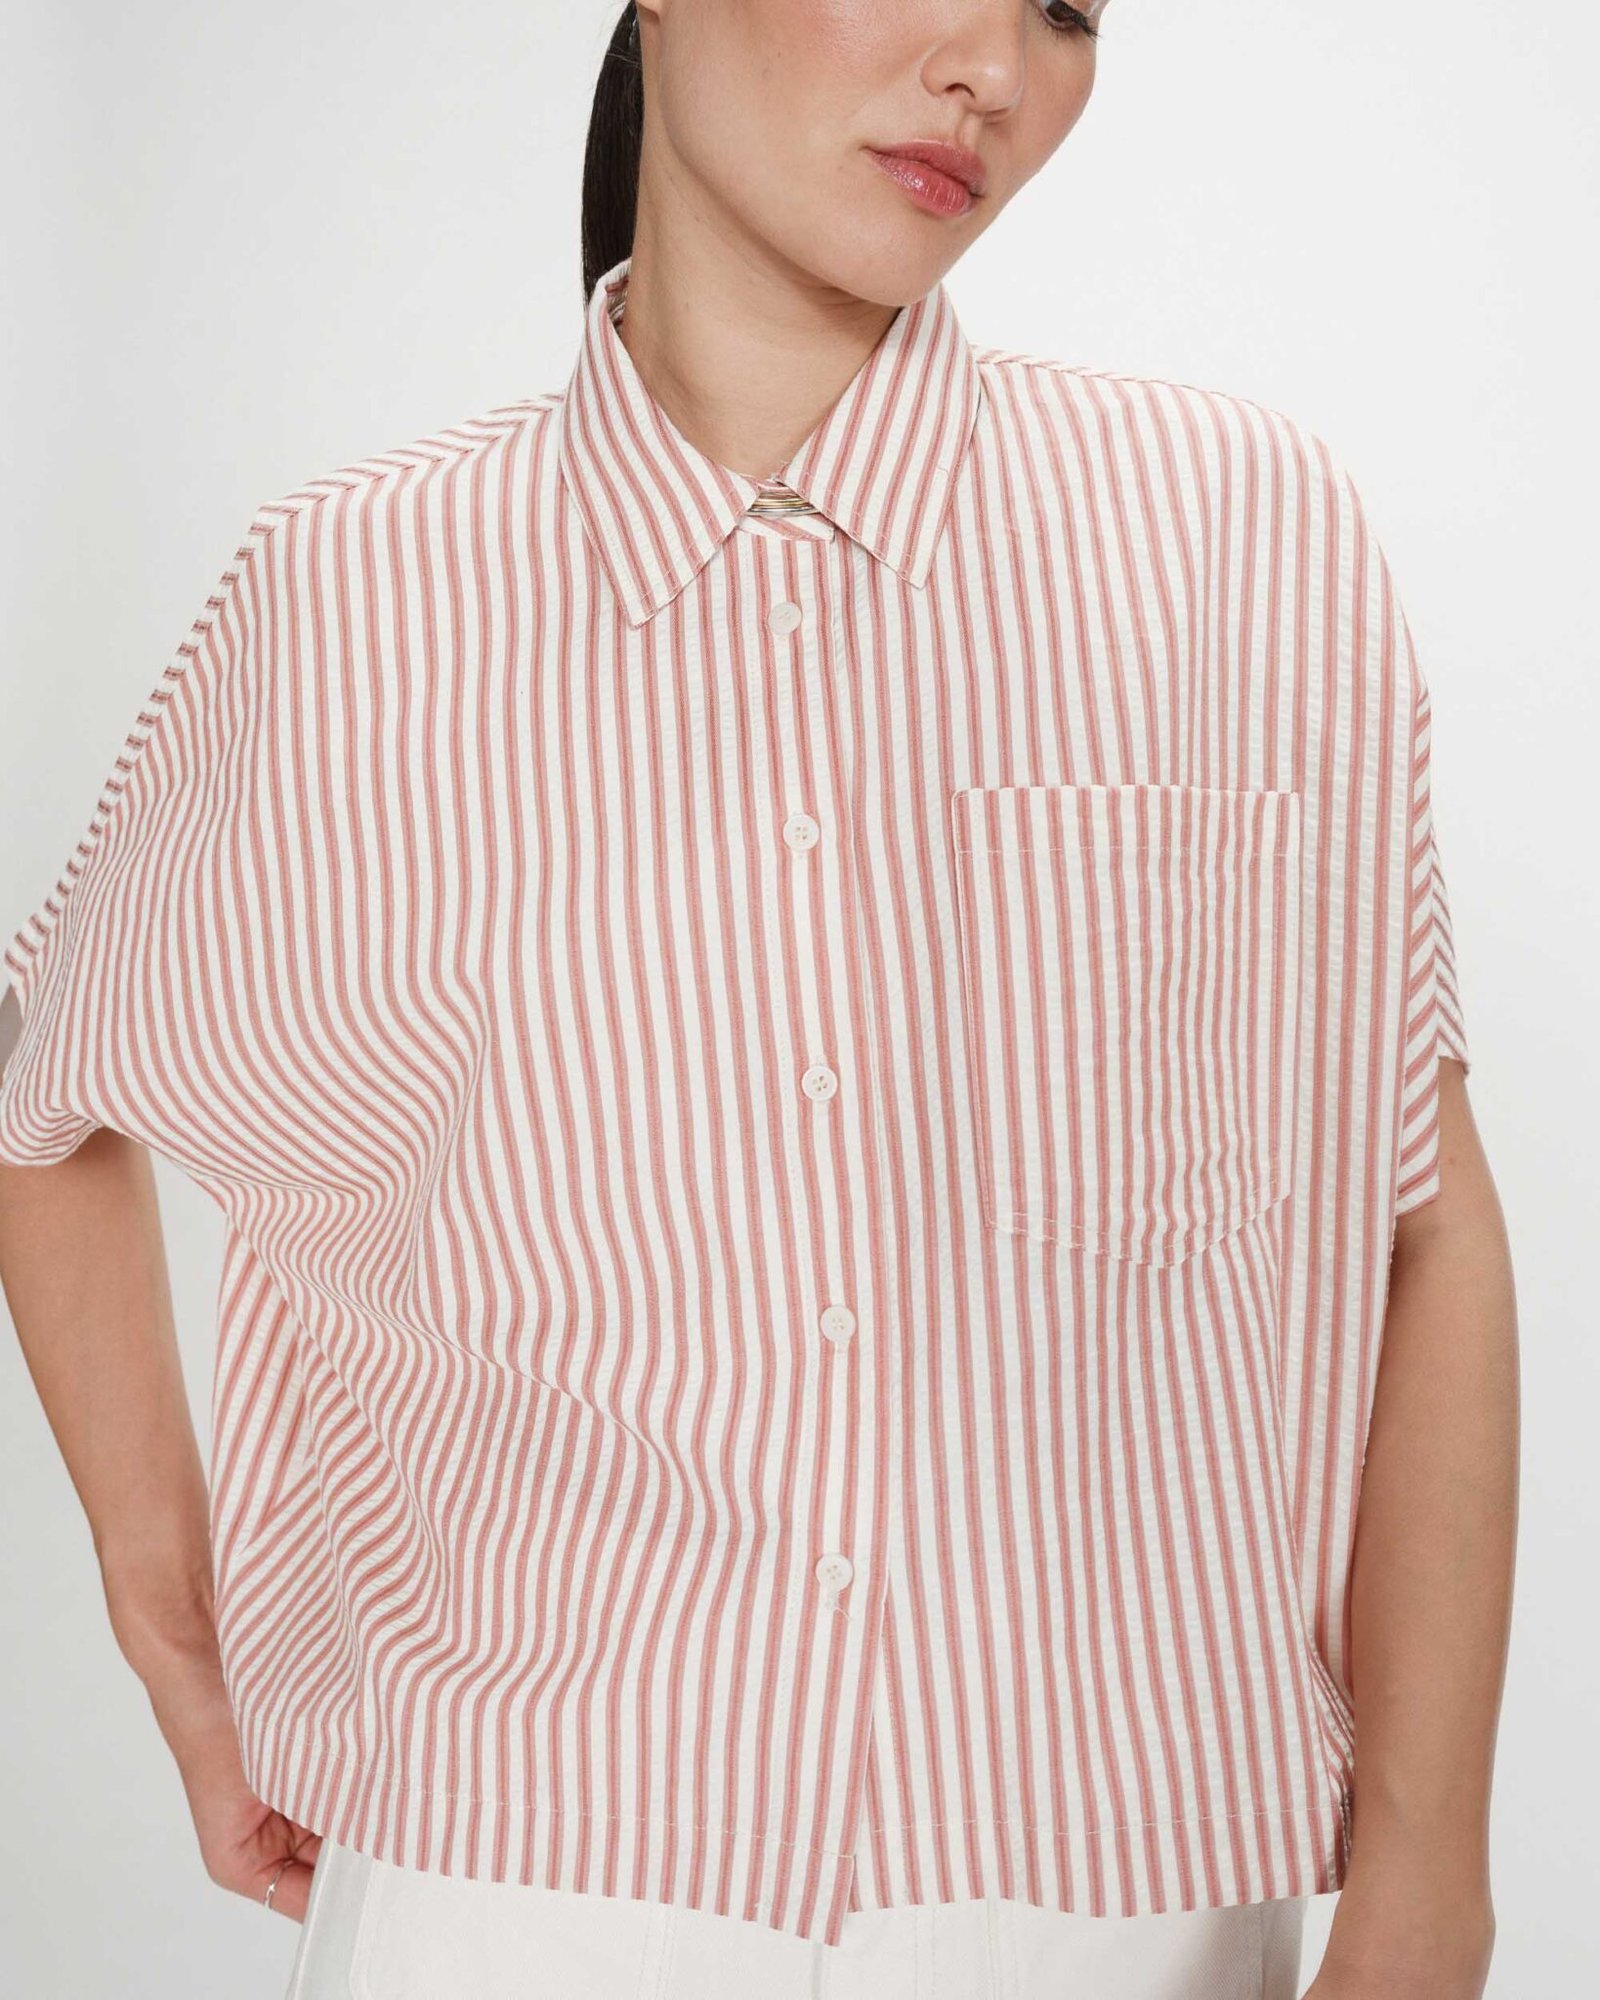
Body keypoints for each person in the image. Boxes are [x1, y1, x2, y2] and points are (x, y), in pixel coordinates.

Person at [0, 4, 1517, 1997]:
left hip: (1108, 1900)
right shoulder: (349, 596)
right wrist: (172, 1632)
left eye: (1066, 5)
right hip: (512, 1889)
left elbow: (1415, 1219)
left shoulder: (1240, 536)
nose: (996, 69)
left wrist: (1427, 1875)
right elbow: (45, 1099)